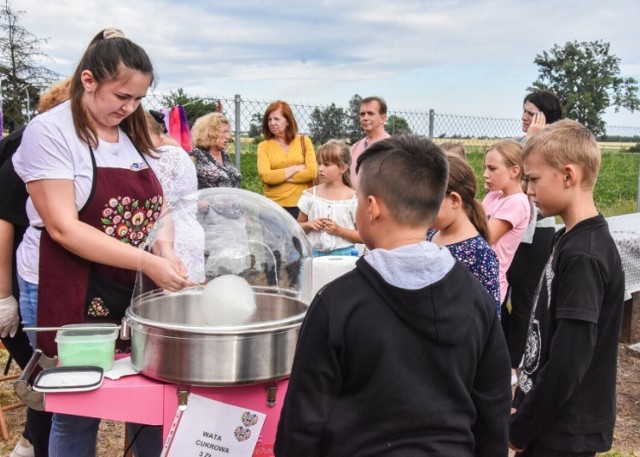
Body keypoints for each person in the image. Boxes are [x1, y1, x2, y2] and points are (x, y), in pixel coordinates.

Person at [12, 30, 192, 457]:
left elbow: (158, 204)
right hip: (63, 282)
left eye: (137, 100)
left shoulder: (128, 134)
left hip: (124, 280)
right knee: (77, 405)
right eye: (121, 96)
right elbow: (63, 228)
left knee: (148, 396)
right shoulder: (49, 132)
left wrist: (164, 249)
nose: (128, 108)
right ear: (88, 80)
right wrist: (147, 263)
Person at [275, 135, 512, 456]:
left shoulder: (336, 304)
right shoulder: (477, 299)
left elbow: (301, 427)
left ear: (371, 208)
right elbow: (493, 412)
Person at [509, 120, 625, 457]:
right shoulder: (567, 240)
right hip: (549, 422)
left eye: (532, 179)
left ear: (568, 176)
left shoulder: (584, 255)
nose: (528, 190)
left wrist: (521, 429)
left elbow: (569, 359)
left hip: (563, 431)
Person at [0, 77, 72, 457]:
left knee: (45, 370)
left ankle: (29, 442)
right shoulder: (33, 143)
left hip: (43, 268)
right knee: (42, 370)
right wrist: (4, 296)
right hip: (15, 271)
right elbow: (3, 220)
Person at [504, 89, 563, 369]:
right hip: (510, 226)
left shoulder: (556, 146)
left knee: (524, 299)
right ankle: (502, 351)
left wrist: (535, 140)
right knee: (503, 293)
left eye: (531, 112)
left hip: (537, 231)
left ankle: (517, 360)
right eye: (524, 111)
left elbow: (532, 180)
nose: (524, 117)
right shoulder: (519, 142)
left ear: (544, 117)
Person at [428, 154, 501, 316]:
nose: (421, 212)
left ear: (454, 200)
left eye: (429, 203)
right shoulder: (429, 235)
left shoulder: (480, 254)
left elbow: (491, 317)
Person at [146, 110, 205, 283]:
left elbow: (159, 202)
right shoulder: (177, 149)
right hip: (186, 231)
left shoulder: (165, 155)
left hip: (172, 238)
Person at [481, 140, 530, 306]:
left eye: (492, 169)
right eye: (485, 168)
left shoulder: (517, 203)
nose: (485, 174)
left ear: (514, 171)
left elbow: (485, 236)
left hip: (488, 284)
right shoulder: (495, 195)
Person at [297, 140, 360, 256]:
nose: (320, 168)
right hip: (313, 255)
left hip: (345, 258)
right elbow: (297, 228)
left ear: (342, 168)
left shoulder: (353, 199)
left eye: (326, 164)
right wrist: (308, 225)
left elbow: (362, 236)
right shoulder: (311, 196)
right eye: (319, 163)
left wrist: (339, 230)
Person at [257, 100, 317, 218]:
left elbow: (311, 172)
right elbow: (266, 177)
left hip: (300, 206)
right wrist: (295, 168)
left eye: (276, 119)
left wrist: (279, 177)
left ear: (288, 121)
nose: (272, 123)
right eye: (269, 119)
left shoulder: (304, 142)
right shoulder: (263, 147)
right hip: (272, 206)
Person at [188, 112, 241, 189]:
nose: (228, 136)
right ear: (210, 133)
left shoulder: (224, 154)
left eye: (228, 132)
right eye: (224, 132)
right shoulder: (195, 156)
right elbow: (188, 187)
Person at [349, 96, 390, 187]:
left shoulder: (392, 147)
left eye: (370, 113)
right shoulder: (354, 148)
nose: (365, 118)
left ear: (383, 118)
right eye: (362, 114)